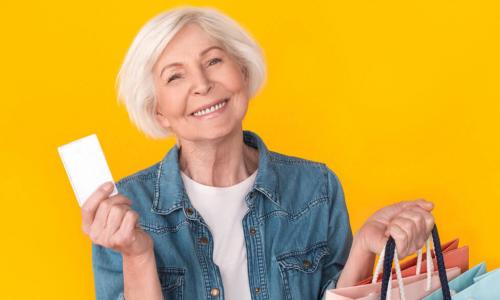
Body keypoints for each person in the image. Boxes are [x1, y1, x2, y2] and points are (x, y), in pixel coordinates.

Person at [80, 5, 435, 300]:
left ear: (243, 71)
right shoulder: (125, 211)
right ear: (157, 110)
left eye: (214, 61)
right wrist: (138, 254)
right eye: (175, 77)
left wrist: (363, 249)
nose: (202, 85)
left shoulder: (316, 188)